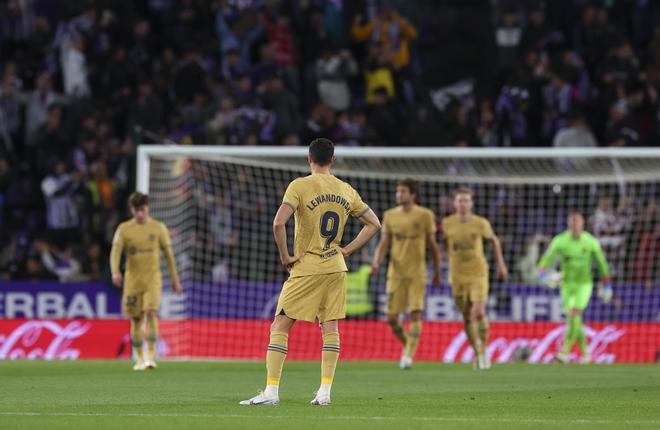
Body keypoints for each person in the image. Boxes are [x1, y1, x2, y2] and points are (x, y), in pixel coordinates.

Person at [240, 138, 381, 406]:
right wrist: (347, 250)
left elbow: (278, 223)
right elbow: (374, 223)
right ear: (333, 160)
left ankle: (271, 392)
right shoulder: (345, 189)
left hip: (308, 267)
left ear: (309, 158)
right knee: (330, 328)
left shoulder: (300, 185)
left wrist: (285, 257)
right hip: (337, 268)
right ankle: (324, 392)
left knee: (281, 324)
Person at [371, 178, 441, 369]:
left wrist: (437, 270)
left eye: (402, 191)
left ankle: (408, 355)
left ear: (412, 195)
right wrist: (376, 262)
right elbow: (384, 243)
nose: (398, 195)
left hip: (417, 272)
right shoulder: (390, 215)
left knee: (416, 312)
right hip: (396, 273)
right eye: (397, 191)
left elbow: (432, 245)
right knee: (392, 318)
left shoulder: (425, 215)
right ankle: (409, 346)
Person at [110, 192, 182, 371]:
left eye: (142, 209)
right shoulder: (124, 229)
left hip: (153, 280)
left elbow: (169, 256)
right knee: (136, 319)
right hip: (132, 282)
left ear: (148, 208)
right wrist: (115, 272)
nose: (139, 214)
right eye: (136, 210)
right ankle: (139, 358)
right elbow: (115, 252)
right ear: (131, 210)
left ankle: (150, 356)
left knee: (150, 313)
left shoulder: (158, 228)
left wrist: (175, 280)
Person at [441, 187, 508, 370]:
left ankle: (484, 351)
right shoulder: (447, 223)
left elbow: (494, 241)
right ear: (455, 203)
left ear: (471, 203)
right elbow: (445, 245)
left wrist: (501, 265)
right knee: (467, 317)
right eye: (459, 200)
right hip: (457, 275)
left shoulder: (480, 223)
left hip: (478, 272)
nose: (462, 204)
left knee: (478, 312)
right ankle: (477, 353)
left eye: (466, 200)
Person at [538, 211, 612, 364]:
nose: (575, 225)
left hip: (584, 284)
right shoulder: (560, 241)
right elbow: (545, 261)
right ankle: (586, 355)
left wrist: (607, 284)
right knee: (573, 318)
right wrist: (544, 276)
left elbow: (602, 264)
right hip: (566, 285)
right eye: (572, 222)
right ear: (568, 224)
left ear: (583, 224)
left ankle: (564, 353)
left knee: (574, 313)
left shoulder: (591, 242)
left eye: (577, 222)